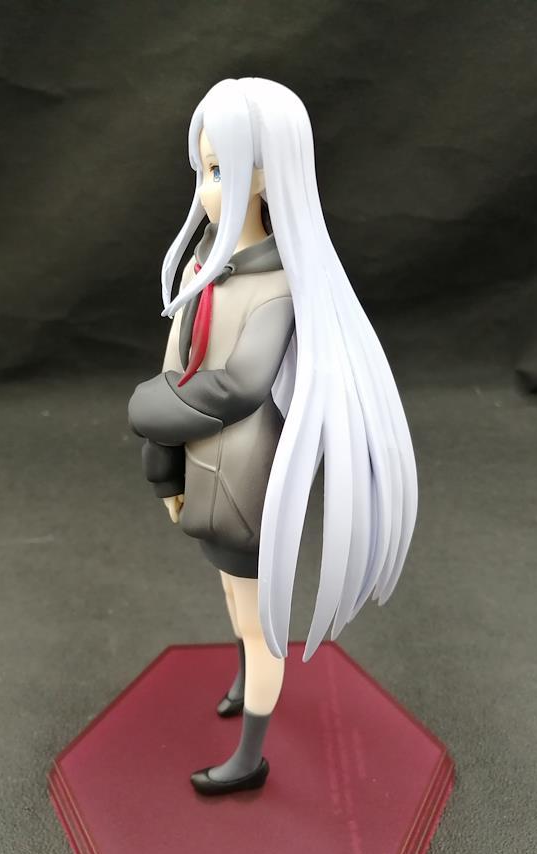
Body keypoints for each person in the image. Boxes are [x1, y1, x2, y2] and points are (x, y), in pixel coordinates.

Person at [128, 77, 418, 795]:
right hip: (199, 472)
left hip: (248, 483)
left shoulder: (283, 288)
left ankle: (249, 756)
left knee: (259, 619)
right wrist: (161, 466)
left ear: (267, 174)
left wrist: (148, 411)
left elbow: (237, 387)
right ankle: (241, 681)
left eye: (222, 170)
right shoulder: (203, 268)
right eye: (204, 170)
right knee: (232, 598)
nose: (207, 191)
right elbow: (177, 364)